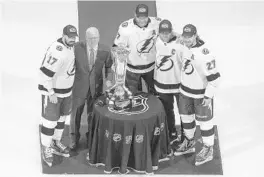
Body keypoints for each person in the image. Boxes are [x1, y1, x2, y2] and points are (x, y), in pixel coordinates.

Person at [174, 24, 221, 166]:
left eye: (190, 37)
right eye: (185, 36)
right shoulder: (183, 44)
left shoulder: (205, 54)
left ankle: (208, 148)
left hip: (201, 95)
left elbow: (215, 79)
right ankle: (189, 141)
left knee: (205, 122)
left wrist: (208, 96)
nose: (187, 39)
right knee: (186, 118)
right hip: (184, 91)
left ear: (195, 35)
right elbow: (176, 37)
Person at [38, 24, 78, 167]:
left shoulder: (70, 47)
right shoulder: (57, 50)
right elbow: (44, 73)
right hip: (54, 93)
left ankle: (55, 141)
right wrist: (51, 92)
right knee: (49, 121)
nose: (73, 39)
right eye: (70, 37)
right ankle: (46, 147)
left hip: (66, 91)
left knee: (61, 119)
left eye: (74, 37)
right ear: (64, 36)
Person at [69, 27, 113, 150]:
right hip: (79, 87)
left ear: (99, 37)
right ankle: (74, 138)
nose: (93, 40)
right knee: (75, 115)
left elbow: (109, 66)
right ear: (85, 37)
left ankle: (92, 137)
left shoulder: (105, 49)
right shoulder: (76, 48)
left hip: (96, 89)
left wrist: (109, 79)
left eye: (96, 38)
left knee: (92, 114)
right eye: (90, 38)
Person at [113, 4, 161, 94]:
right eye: (139, 17)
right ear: (134, 14)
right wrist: (119, 64)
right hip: (132, 70)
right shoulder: (125, 28)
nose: (142, 20)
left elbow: (169, 34)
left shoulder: (157, 23)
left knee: (157, 95)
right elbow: (116, 47)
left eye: (144, 17)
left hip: (152, 68)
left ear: (148, 15)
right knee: (133, 97)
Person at [154, 19, 183, 144]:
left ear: (171, 32)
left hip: (179, 84)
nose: (165, 35)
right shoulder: (155, 41)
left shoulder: (180, 41)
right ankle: (172, 133)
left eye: (168, 32)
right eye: (162, 32)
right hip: (162, 84)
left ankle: (187, 135)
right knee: (168, 111)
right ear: (158, 32)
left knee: (184, 112)